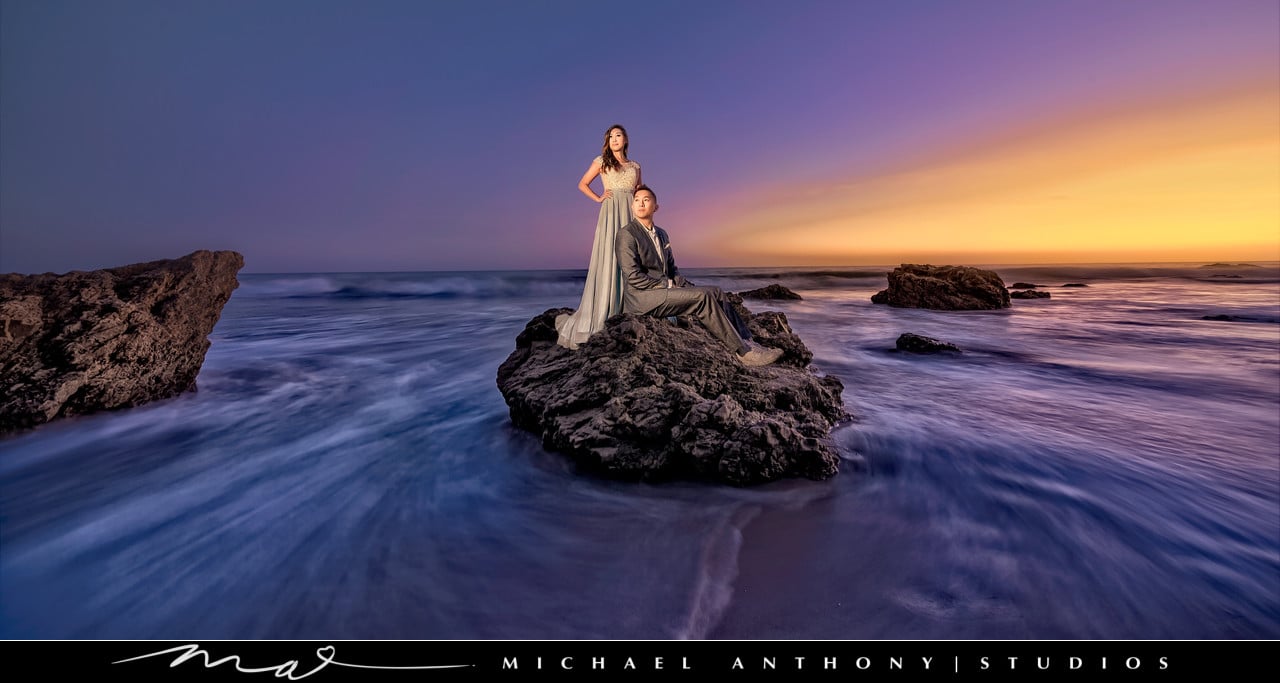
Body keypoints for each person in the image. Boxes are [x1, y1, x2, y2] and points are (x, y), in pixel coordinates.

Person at [615, 185, 783, 367]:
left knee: (716, 292)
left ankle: (748, 341)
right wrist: (669, 285)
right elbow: (632, 276)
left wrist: (685, 285)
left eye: (646, 200)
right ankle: (743, 353)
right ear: (632, 206)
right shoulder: (627, 234)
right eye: (637, 200)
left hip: (663, 291)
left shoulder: (662, 234)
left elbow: (672, 269)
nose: (641, 203)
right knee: (702, 297)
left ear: (656, 207)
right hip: (642, 297)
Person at [555, 125, 641, 349]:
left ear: (625, 140)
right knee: (610, 256)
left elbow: (640, 191)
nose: (614, 139)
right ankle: (606, 308)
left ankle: (629, 306)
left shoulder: (635, 166)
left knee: (631, 257)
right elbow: (582, 184)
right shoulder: (601, 161)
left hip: (630, 213)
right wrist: (599, 198)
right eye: (610, 136)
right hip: (611, 212)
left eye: (618, 135)